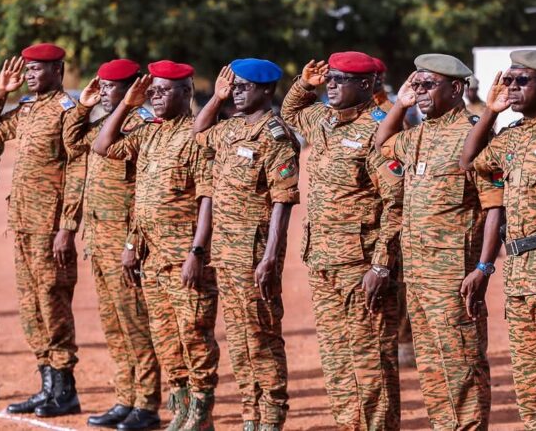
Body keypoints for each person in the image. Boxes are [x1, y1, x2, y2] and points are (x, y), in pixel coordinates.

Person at [375, 53, 504, 430]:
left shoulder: (473, 134)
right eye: (416, 85)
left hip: (453, 278)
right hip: (417, 276)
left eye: (428, 85)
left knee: (462, 368)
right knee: (433, 372)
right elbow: (383, 144)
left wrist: (483, 267)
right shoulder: (419, 133)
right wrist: (400, 104)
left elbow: (494, 205)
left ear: (456, 88)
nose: (420, 92)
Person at [93, 60, 220, 431]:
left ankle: (201, 415)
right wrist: (128, 104)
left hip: (183, 257)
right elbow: (103, 146)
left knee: (194, 335)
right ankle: (181, 409)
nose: (156, 96)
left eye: (164, 90)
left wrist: (197, 252)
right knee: (166, 340)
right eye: (153, 91)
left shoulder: (198, 135)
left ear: (186, 93)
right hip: (152, 257)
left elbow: (207, 198)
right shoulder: (149, 132)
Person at [459, 49, 536, 430]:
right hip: (518, 273)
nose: (511, 87)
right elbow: (469, 161)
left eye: (521, 81)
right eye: (507, 80)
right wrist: (490, 112)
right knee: (529, 385)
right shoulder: (511, 136)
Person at [281, 52, 402, 430]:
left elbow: (397, 203)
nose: (330, 85)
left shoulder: (379, 129)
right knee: (336, 360)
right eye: (329, 78)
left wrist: (381, 265)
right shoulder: (323, 119)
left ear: (365, 84)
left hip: (360, 265)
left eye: (340, 79)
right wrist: (305, 84)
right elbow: (290, 111)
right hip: (321, 259)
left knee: (370, 359)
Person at [0, 43, 84, 417]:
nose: (30, 75)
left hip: (49, 225)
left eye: (38, 68)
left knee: (52, 301)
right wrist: (0, 94)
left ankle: (65, 389)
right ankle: (47, 385)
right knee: (30, 306)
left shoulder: (67, 110)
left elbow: (78, 170)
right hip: (22, 223)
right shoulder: (25, 108)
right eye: (28, 69)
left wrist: (67, 226)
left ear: (58, 70)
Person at [193, 59, 299, 431]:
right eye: (233, 86)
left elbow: (283, 200)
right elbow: (198, 131)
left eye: (243, 87)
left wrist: (270, 258)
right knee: (239, 340)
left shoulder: (275, 136)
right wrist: (217, 98)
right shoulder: (231, 128)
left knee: (262, 336)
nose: (236, 92)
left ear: (266, 89)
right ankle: (250, 415)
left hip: (255, 255)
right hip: (226, 254)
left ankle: (271, 416)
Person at [66, 59, 162, 430]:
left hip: (124, 242)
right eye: (102, 86)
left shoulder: (143, 126)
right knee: (114, 326)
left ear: (132, 88)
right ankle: (125, 398)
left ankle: (147, 404)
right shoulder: (105, 124)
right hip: (99, 241)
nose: (104, 92)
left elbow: (145, 192)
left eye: (111, 87)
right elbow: (72, 142)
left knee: (135, 324)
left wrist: (132, 242)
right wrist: (84, 105)